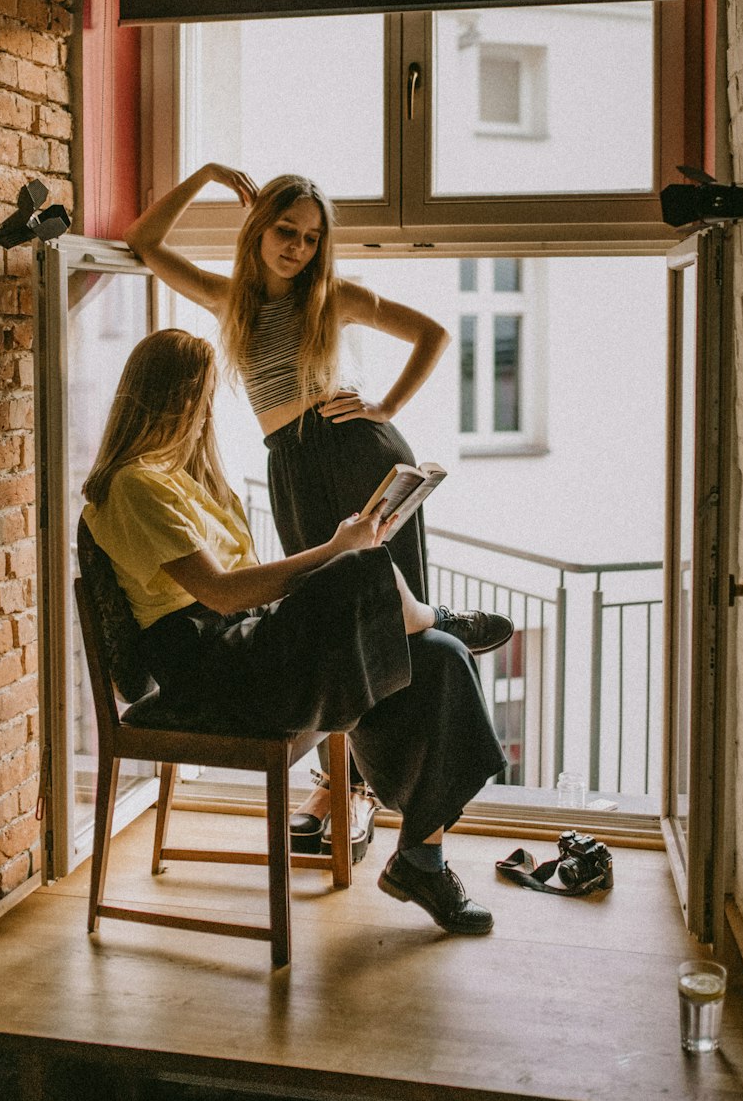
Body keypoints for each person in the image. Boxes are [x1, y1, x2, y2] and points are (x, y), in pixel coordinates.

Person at [124, 163, 513, 860]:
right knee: (335, 625)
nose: (297, 248)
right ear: (259, 229)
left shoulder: (333, 299)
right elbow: (146, 242)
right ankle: (355, 790)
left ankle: (365, 795)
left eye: (309, 238)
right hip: (292, 467)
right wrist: (208, 174)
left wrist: (386, 406)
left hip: (356, 451)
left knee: (384, 629)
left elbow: (432, 335)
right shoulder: (229, 301)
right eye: (285, 231)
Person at [81, 329, 508, 934]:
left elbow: (247, 590)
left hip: (246, 648)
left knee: (437, 657)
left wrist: (342, 557)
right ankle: (438, 616)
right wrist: (336, 552)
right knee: (369, 575)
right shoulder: (131, 486)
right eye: (200, 396)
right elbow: (224, 593)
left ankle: (422, 859)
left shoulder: (191, 481)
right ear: (168, 399)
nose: (206, 409)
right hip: (208, 671)